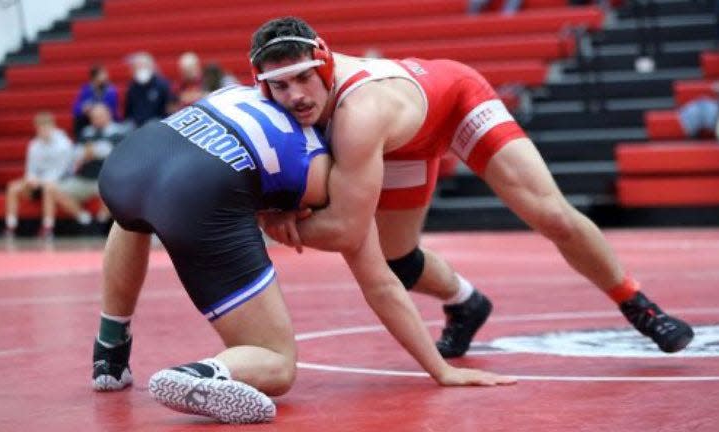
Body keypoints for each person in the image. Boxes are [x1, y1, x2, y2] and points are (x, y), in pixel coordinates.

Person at [250, 17, 694, 358]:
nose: (296, 97)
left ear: (325, 65)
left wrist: (265, 221)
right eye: (281, 85)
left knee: (551, 215)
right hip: (401, 146)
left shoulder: (359, 112)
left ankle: (638, 304)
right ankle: (466, 303)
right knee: (398, 260)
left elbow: (345, 228)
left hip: (457, 103)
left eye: (305, 78)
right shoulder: (277, 108)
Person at [91, 86, 514, 424]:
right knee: (278, 362)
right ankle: (200, 376)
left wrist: (269, 206)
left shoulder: (248, 91)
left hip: (132, 161)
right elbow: (379, 281)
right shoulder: (331, 166)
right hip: (198, 197)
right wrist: (439, 369)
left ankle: (109, 354)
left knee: (134, 218)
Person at [50, 103, 129, 226]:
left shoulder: (119, 131)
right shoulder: (86, 132)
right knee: (52, 189)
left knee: (116, 189)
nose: (97, 119)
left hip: (106, 179)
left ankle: (101, 222)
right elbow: (76, 153)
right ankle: (84, 219)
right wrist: (94, 151)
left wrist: (90, 151)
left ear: (108, 115)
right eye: (94, 117)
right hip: (84, 178)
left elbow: (110, 150)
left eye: (100, 116)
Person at [3, 111, 73, 238]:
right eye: (40, 128)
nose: (43, 131)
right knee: (13, 188)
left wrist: (41, 181)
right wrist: (31, 179)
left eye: (46, 127)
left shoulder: (64, 144)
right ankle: (10, 226)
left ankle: (48, 228)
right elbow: (30, 169)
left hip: (59, 181)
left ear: (53, 126)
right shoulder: (34, 145)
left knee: (48, 189)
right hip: (38, 182)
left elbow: (61, 171)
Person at [123, 51, 172, 127]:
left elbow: (169, 109)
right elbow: (128, 111)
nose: (140, 69)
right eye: (137, 67)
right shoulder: (132, 87)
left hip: (158, 123)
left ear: (151, 66)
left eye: (143, 66)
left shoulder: (162, 85)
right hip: (137, 125)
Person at [71, 64, 120, 137]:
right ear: (94, 77)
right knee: (78, 120)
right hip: (90, 120)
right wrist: (84, 108)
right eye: (102, 75)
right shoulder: (86, 90)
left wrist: (99, 110)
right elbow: (75, 109)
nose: (106, 77)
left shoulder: (111, 90)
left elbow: (113, 109)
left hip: (107, 119)